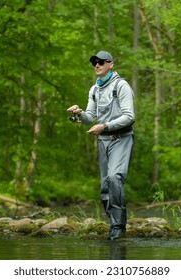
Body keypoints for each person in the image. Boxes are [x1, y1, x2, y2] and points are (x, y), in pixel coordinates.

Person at [67, 50, 135, 240]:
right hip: (103, 140)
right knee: (105, 186)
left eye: (101, 62)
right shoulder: (94, 89)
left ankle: (118, 226)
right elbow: (89, 119)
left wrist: (105, 126)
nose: (97, 65)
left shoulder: (122, 86)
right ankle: (114, 222)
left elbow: (130, 117)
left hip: (121, 138)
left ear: (111, 64)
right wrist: (79, 113)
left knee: (115, 178)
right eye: (94, 62)